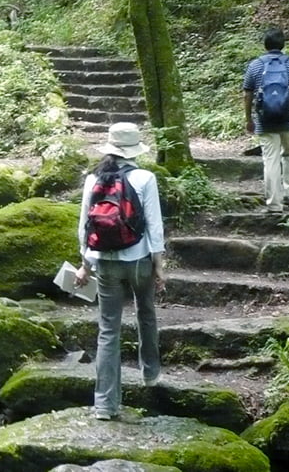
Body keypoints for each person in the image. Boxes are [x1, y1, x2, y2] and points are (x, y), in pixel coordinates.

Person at [74, 122, 166, 421]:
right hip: (139, 260)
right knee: (146, 312)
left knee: (108, 330)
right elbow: (154, 225)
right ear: (134, 149)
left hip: (106, 263)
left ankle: (104, 404)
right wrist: (159, 266)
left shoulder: (93, 179)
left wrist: (85, 264)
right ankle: (150, 373)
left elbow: (84, 227)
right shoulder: (145, 178)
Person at [242, 28, 289, 213]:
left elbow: (247, 94)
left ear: (265, 45)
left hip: (264, 121)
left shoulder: (256, 65)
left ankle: (274, 203)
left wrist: (249, 118)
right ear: (283, 44)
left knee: (270, 159)